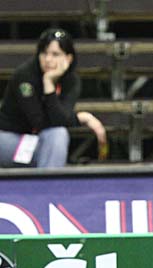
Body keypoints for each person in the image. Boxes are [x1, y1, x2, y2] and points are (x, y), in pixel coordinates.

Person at [0, 28, 107, 168]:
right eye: (44, 53)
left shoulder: (71, 81)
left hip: (39, 141)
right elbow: (39, 122)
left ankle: (48, 181)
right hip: (9, 139)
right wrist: (81, 118)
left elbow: (60, 120)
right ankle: (50, 181)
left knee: (58, 134)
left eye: (55, 54)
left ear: (68, 58)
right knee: (53, 144)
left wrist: (49, 84)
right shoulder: (24, 77)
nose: (48, 59)